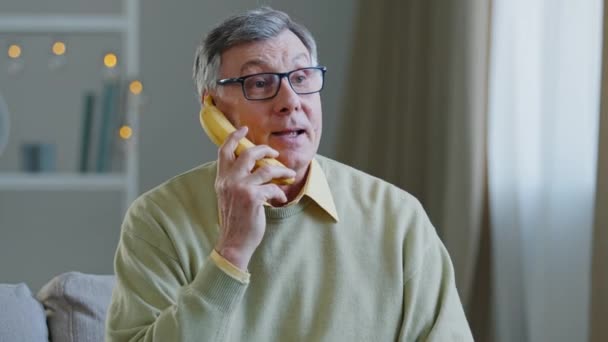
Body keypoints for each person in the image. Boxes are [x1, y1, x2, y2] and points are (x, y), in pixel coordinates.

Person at [105, 7, 473, 342]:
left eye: (301, 77)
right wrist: (231, 252)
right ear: (213, 109)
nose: (290, 101)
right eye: (261, 83)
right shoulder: (157, 220)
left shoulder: (398, 218)